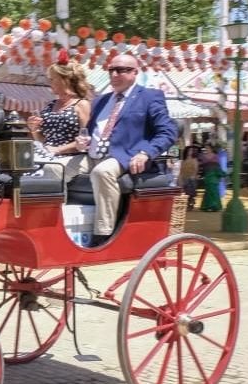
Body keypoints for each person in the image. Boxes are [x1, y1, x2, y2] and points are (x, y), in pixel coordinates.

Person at [69, 53, 177, 245]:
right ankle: (58, 224)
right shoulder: (100, 101)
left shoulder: (150, 97)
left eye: (121, 70)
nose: (114, 74)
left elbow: (168, 132)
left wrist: (146, 153)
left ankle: (103, 234)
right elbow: (91, 131)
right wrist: (82, 141)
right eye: (111, 70)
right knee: (54, 169)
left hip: (125, 156)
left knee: (102, 172)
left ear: (135, 72)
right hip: (92, 154)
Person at [27, 49, 92, 180]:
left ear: (64, 80)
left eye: (52, 79)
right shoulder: (51, 104)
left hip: (71, 157)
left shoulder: (82, 104)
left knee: (48, 170)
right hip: (47, 154)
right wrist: (34, 130)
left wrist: (57, 150)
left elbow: (86, 140)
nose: (49, 83)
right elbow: (44, 140)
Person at [199, 145, 224, 212]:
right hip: (207, 175)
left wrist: (219, 175)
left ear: (211, 149)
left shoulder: (216, 156)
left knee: (214, 191)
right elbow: (202, 167)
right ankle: (207, 206)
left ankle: (215, 206)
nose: (207, 149)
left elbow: (218, 166)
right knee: (208, 191)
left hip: (214, 175)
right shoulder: (203, 157)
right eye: (206, 148)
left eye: (208, 148)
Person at [179, 145, 200, 211]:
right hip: (184, 177)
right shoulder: (183, 161)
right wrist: (180, 179)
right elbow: (181, 171)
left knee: (191, 192)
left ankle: (191, 203)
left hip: (192, 178)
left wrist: (193, 176)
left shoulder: (194, 160)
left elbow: (196, 169)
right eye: (189, 150)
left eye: (191, 150)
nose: (190, 151)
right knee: (186, 192)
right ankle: (189, 203)